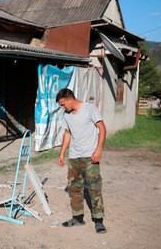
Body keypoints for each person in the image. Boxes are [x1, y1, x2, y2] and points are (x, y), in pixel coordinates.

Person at [56, 88, 107, 234]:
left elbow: (102, 129)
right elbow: (68, 133)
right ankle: (78, 218)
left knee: (94, 188)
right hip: (74, 157)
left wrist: (98, 150)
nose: (62, 107)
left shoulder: (90, 109)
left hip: (90, 156)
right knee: (74, 188)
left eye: (63, 104)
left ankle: (98, 221)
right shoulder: (67, 114)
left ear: (70, 99)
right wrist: (62, 154)